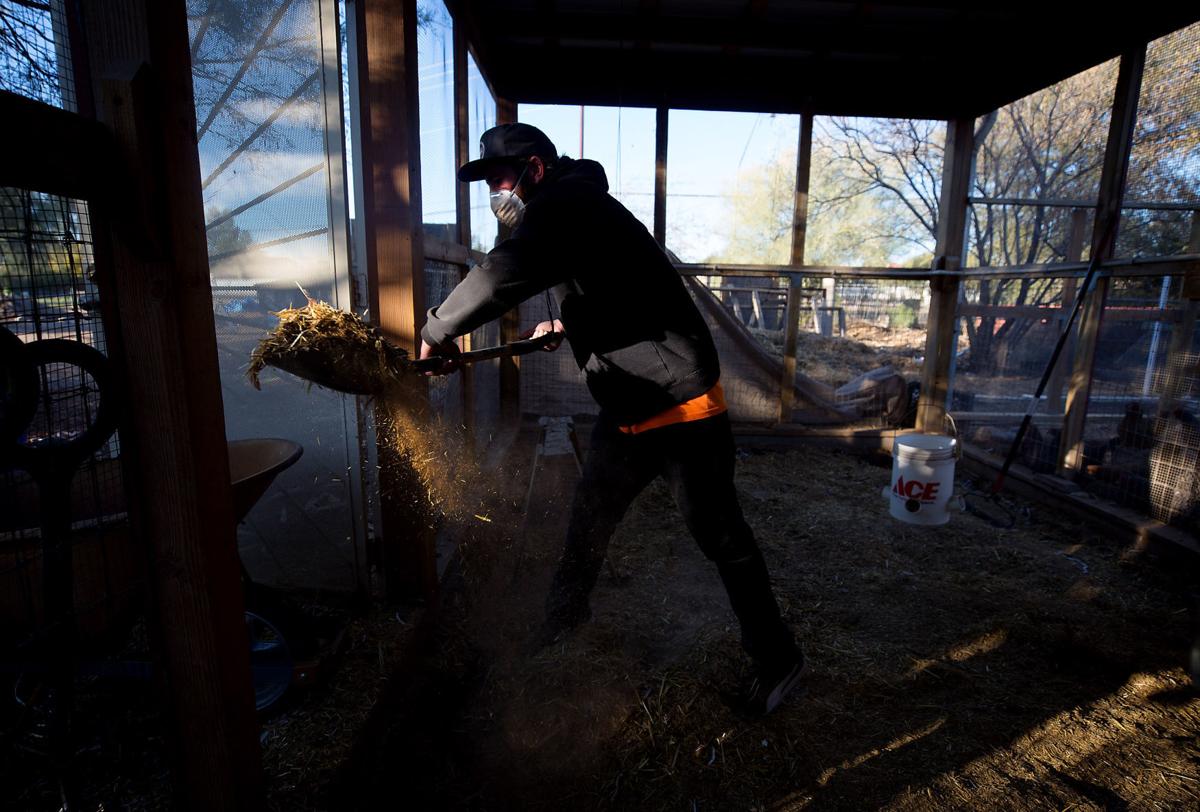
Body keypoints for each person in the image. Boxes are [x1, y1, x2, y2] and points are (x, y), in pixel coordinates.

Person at [419, 123, 803, 715]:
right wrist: (570, 325)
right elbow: (621, 288)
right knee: (587, 523)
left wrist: (438, 329)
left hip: (679, 403)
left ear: (535, 170)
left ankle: (779, 659)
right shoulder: (574, 205)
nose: (494, 193)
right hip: (628, 403)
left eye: (498, 179)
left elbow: (502, 274)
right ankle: (563, 622)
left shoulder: (567, 201)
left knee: (720, 535)